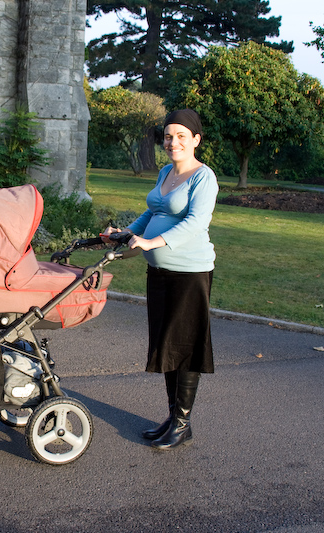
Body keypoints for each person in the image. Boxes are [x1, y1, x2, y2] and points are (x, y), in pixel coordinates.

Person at [102, 109, 218, 450]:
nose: (173, 142)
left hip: (190, 272)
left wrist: (151, 242)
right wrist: (127, 233)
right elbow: (153, 211)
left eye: (182, 136)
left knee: (185, 345)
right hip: (160, 273)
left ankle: (182, 423)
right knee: (168, 343)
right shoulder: (166, 172)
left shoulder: (203, 177)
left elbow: (196, 222)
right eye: (169, 136)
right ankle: (174, 418)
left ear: (196, 140)